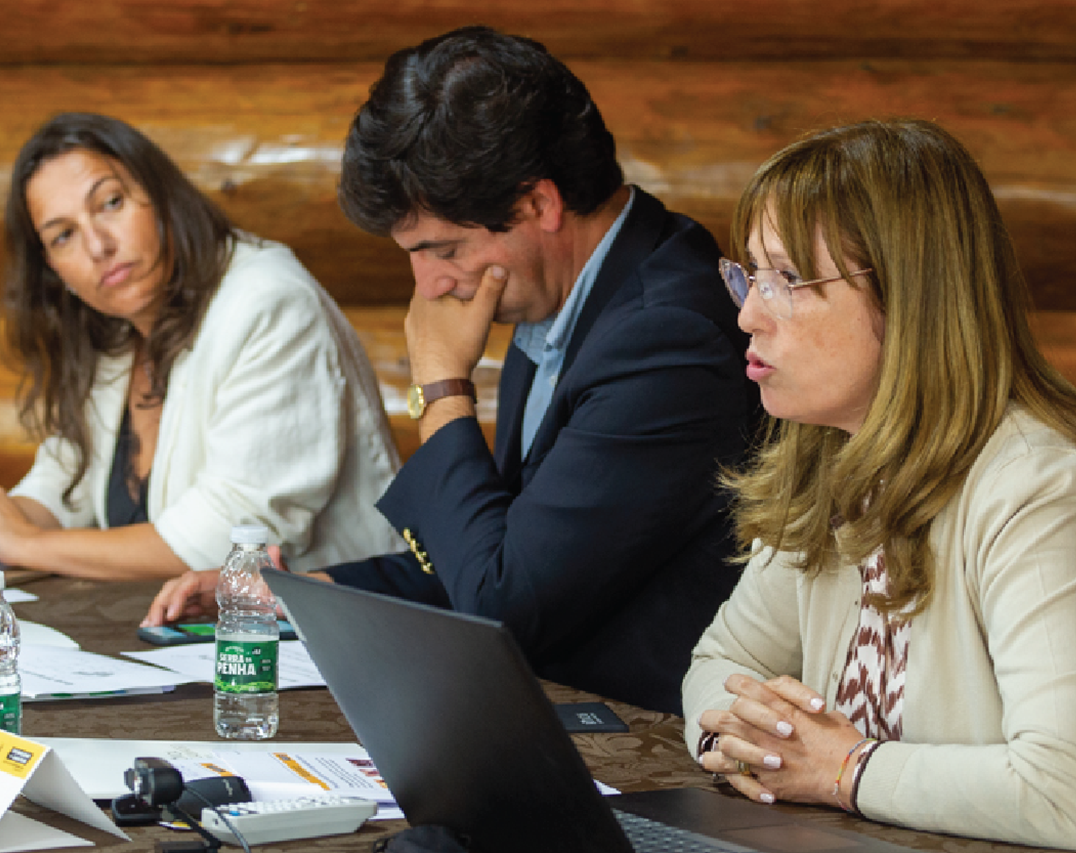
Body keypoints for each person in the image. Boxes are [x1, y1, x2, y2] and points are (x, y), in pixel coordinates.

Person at [143, 26, 763, 713]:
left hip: (647, 754)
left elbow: (502, 601)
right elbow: (494, 551)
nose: (428, 286)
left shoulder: (665, 337)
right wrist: (303, 592)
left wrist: (440, 389)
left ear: (537, 205)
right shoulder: (567, 293)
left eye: (441, 248)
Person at [683, 118, 1076, 851]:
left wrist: (841, 770)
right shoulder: (838, 454)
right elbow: (721, 663)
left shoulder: (1047, 489)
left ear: (907, 301)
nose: (748, 312)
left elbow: (1071, 790)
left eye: (788, 279)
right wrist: (744, 740)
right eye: (751, 274)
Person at [0, 112, 403, 580]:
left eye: (111, 203)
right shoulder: (116, 331)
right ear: (53, 272)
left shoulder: (268, 303)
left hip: (324, 645)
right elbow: (62, 490)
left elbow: (233, 537)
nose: (98, 246)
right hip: (185, 643)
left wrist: (25, 546)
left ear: (161, 193)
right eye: (63, 236)